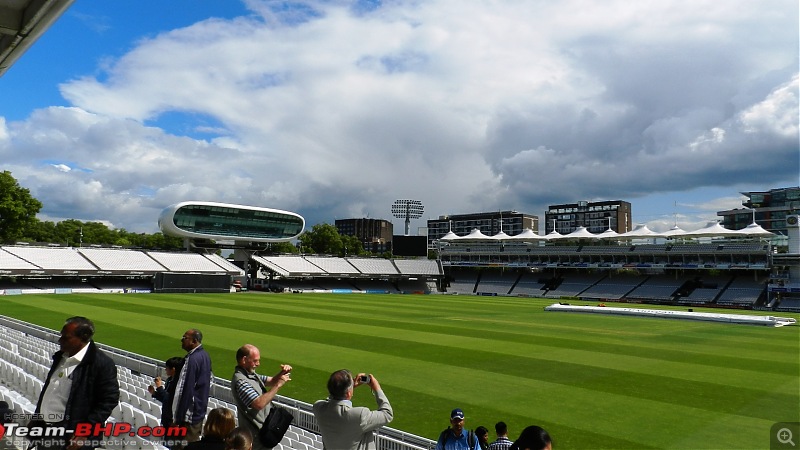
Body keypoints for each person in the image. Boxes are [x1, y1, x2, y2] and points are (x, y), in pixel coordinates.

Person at [34, 316, 120, 450]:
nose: (60, 340)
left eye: (66, 337)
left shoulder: (102, 364)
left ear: (82, 339)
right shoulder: (61, 356)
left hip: (71, 436)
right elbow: (50, 391)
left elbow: (109, 400)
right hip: (46, 429)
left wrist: (85, 431)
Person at [312, 370, 393, 450]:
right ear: (348, 393)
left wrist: (346, 388)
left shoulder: (318, 408)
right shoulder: (359, 416)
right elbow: (387, 414)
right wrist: (377, 388)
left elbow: (330, 400)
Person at [231, 344, 292, 450]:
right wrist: (278, 385)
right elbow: (258, 404)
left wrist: (282, 373)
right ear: (244, 359)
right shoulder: (240, 381)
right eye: (255, 361)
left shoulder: (250, 374)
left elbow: (271, 381)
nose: (258, 364)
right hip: (256, 437)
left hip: (262, 433)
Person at [173, 329, 212, 444]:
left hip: (188, 416)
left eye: (185, 338)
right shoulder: (205, 355)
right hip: (198, 411)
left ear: (194, 341)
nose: (182, 340)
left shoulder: (192, 359)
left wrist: (177, 418)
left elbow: (183, 389)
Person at [148, 356, 185, 426]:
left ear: (173, 369)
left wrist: (159, 387)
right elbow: (165, 399)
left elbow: (170, 399)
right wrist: (154, 393)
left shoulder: (178, 383)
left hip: (172, 420)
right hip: (166, 416)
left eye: (167, 368)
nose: (165, 369)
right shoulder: (169, 380)